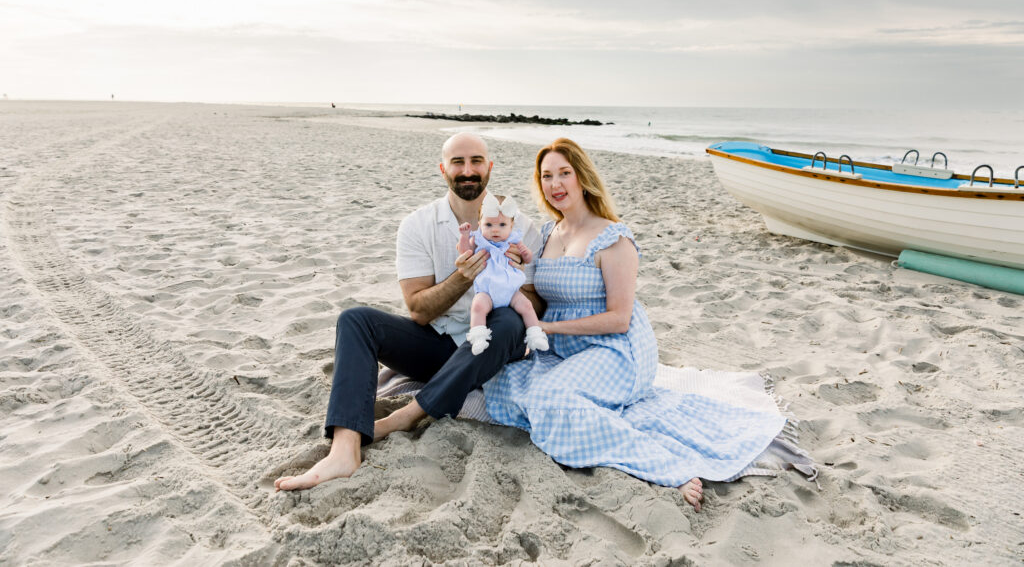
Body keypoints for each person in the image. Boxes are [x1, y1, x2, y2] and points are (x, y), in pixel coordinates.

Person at [483, 138, 789, 511]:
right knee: (504, 383)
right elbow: (532, 291)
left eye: (565, 173)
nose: (555, 184)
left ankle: (666, 466)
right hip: (564, 349)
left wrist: (549, 329)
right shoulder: (547, 234)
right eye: (547, 176)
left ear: (583, 178)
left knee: (550, 399)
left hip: (615, 349)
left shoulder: (613, 237)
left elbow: (618, 318)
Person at [274, 132, 542, 491]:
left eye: (476, 161)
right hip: (437, 345)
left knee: (510, 319)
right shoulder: (417, 225)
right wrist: (462, 278)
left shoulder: (522, 226)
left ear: (489, 167)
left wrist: (512, 278)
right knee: (355, 320)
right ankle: (344, 448)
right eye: (458, 162)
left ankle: (405, 417)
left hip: (489, 348)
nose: (467, 170)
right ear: (443, 168)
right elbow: (417, 310)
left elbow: (535, 303)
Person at [457, 193, 549, 355]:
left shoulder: (514, 240)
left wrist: (523, 252)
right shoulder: (478, 239)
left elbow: (527, 259)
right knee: (477, 306)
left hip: (511, 291)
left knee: (526, 306)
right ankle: (478, 337)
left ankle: (535, 335)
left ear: (511, 226)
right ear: (479, 225)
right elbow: (465, 252)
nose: (495, 230)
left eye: (502, 225)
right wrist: (465, 237)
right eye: (489, 225)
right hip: (487, 292)